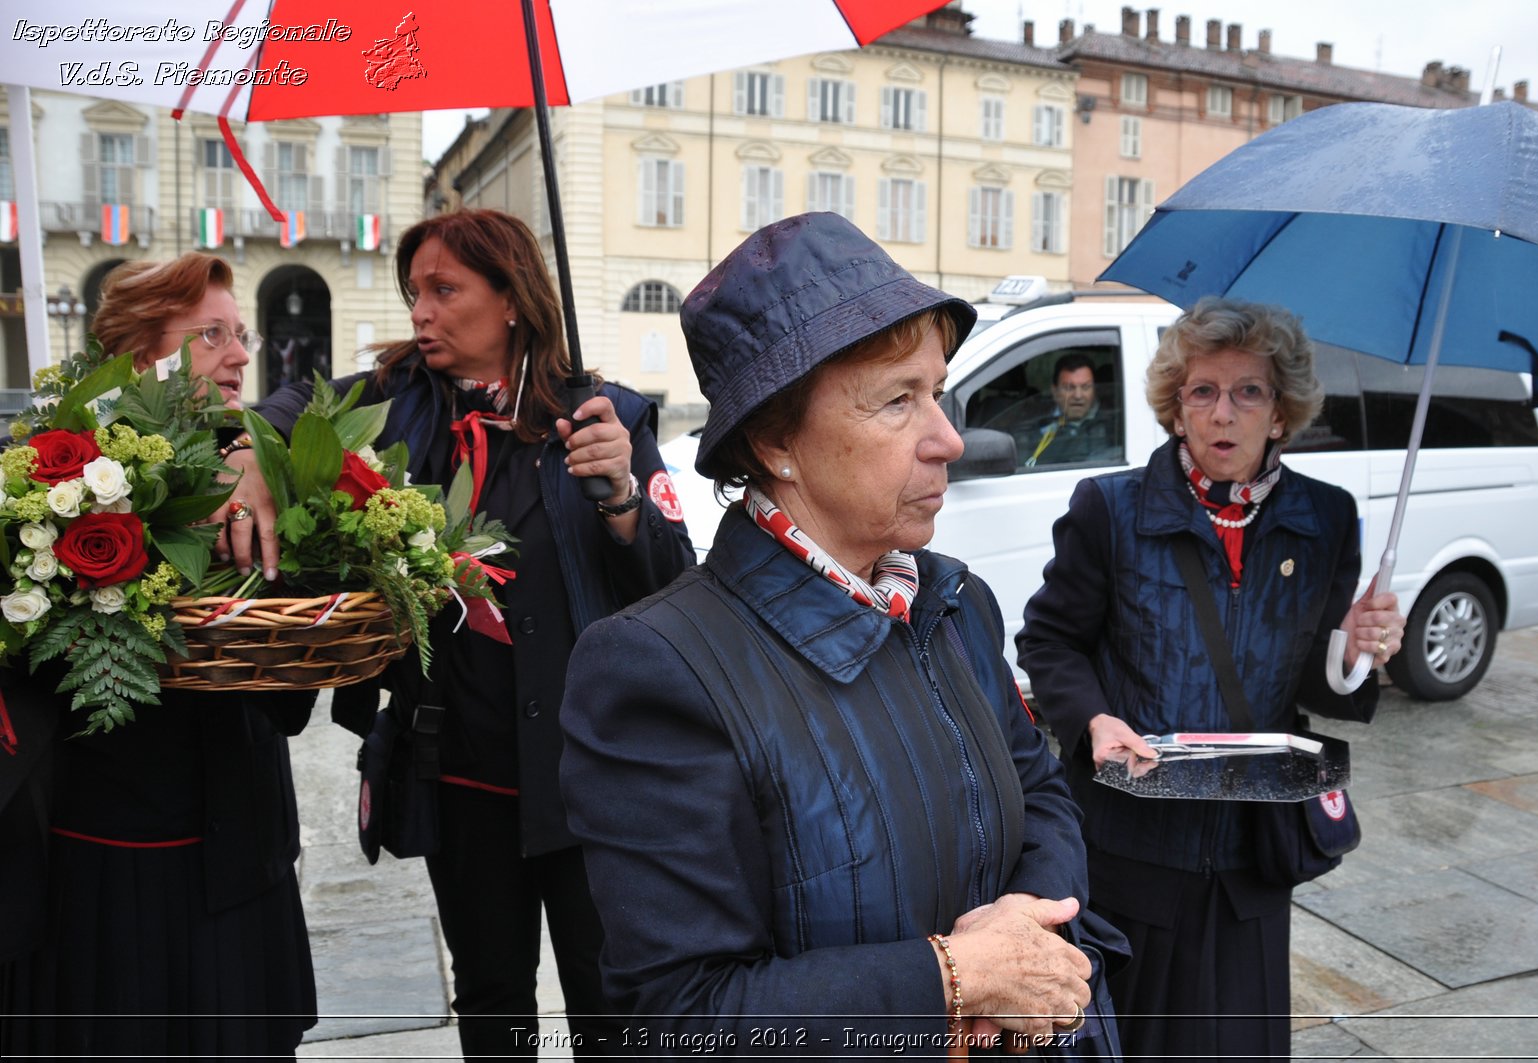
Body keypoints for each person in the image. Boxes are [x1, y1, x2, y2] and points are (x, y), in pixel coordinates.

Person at [560, 212, 1128, 1057]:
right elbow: (681, 1018)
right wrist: (954, 979)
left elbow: (1040, 790)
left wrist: (1025, 924)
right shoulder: (657, 670)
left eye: (938, 392)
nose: (947, 438)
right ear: (775, 439)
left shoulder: (951, 600)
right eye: (899, 400)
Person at [244, 209, 695, 1058]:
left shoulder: (609, 418)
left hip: (593, 775)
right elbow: (291, 404)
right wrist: (248, 451)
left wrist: (623, 499)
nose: (422, 312)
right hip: (459, 770)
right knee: (493, 1000)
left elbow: (674, 581)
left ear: (512, 297)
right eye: (415, 291)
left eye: (445, 290)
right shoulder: (389, 406)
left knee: (613, 1000)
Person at [1015, 297, 1407, 1061]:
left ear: (1281, 409)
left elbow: (1324, 684)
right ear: (1177, 404)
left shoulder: (1325, 518)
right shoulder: (1111, 508)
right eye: (1203, 390)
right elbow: (1050, 639)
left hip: (1249, 856)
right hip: (1132, 847)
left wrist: (1361, 646)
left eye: (1248, 390)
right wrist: (1091, 718)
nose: (1223, 412)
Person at [0, 253, 318, 1057]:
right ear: (139, 358)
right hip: (101, 872)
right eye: (211, 335)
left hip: (238, 864)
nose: (241, 354)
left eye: (239, 334)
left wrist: (251, 462)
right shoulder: (51, 478)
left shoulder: (259, 478)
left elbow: (288, 699)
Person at [1017, 354, 1118, 467]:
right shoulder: (1035, 426)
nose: (1078, 396)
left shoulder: (1115, 425)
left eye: (1085, 387)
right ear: (1055, 391)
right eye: (1069, 388)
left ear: (1095, 391)